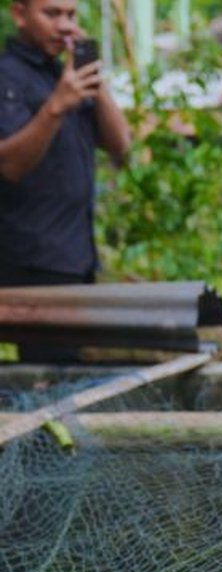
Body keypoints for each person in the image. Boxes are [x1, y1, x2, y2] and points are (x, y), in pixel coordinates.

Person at [0, 0, 130, 361]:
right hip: (31, 262)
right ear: (19, 14)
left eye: (71, 15)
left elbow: (121, 145)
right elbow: (10, 166)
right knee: (50, 381)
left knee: (69, 377)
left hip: (75, 257)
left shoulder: (65, 75)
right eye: (52, 14)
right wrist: (56, 106)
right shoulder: (7, 77)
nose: (64, 26)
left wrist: (94, 80)